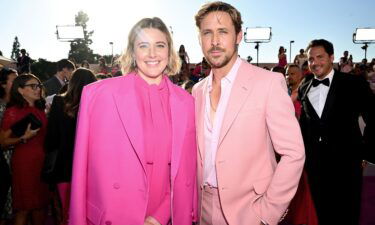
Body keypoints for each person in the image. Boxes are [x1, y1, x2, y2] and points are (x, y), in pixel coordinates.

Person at [69, 17, 197, 225]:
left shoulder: (187, 102)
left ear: (169, 51)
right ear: (132, 51)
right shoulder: (98, 95)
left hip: (165, 214)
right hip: (113, 214)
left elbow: (185, 170)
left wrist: (159, 217)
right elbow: (81, 169)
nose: (153, 54)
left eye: (160, 45)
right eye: (143, 46)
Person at [192, 2, 305, 225]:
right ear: (200, 39)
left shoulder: (268, 83)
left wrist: (267, 212)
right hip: (201, 208)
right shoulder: (197, 91)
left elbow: (294, 154)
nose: (214, 41)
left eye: (223, 31)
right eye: (207, 33)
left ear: (238, 36)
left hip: (249, 212)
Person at [298, 39, 375, 225]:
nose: (315, 62)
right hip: (315, 164)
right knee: (320, 211)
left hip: (346, 162)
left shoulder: (353, 83)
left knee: (347, 212)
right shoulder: (304, 87)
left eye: (320, 57)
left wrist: (365, 152)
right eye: (310, 59)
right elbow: (304, 126)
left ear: (331, 57)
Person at [44, 68, 97, 225]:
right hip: (92, 166)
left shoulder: (59, 102)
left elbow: (51, 138)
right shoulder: (98, 103)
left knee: (67, 211)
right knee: (91, 211)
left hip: (64, 164)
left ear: (72, 82)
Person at [0, 74, 49, 225]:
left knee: (40, 206)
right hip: (24, 164)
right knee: (24, 208)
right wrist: (23, 138)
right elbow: (2, 142)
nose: (37, 89)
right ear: (20, 90)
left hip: (42, 163)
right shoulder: (13, 111)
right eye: (32, 86)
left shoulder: (41, 110)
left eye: (39, 86)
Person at [0, 68, 18, 225]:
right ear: (3, 84)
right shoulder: (1, 106)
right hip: (4, 159)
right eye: (14, 79)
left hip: (19, 158)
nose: (18, 82)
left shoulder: (19, 105)